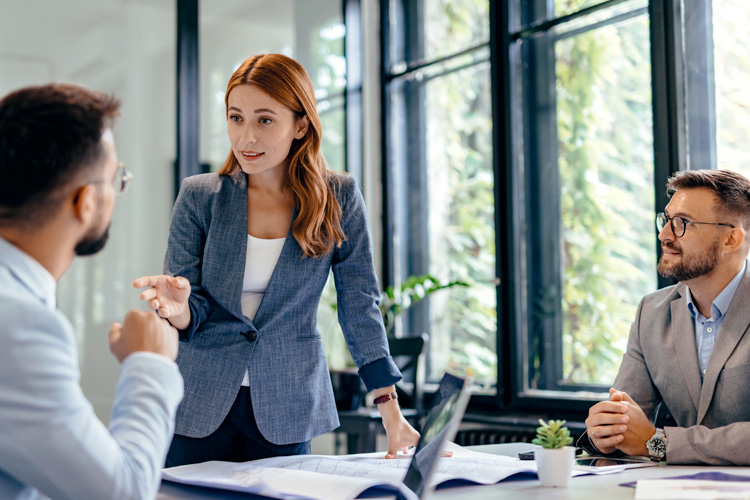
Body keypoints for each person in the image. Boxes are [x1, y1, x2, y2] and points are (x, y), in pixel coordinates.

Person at [134, 53, 420, 466]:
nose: (246, 137)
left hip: (287, 403)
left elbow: (359, 304)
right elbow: (189, 307)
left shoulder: (338, 197)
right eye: (236, 118)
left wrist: (390, 411)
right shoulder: (199, 196)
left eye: (264, 120)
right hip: (198, 400)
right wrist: (178, 311)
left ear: (300, 124)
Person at [0, 83, 183, 499]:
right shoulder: (20, 326)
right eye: (117, 177)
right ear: (85, 202)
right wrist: (149, 363)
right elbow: (122, 492)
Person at [582, 169, 750, 465]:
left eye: (682, 223)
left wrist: (657, 443)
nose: (664, 235)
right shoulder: (652, 311)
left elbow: (647, 440)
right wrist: (607, 430)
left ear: (731, 240)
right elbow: (626, 419)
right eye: (666, 220)